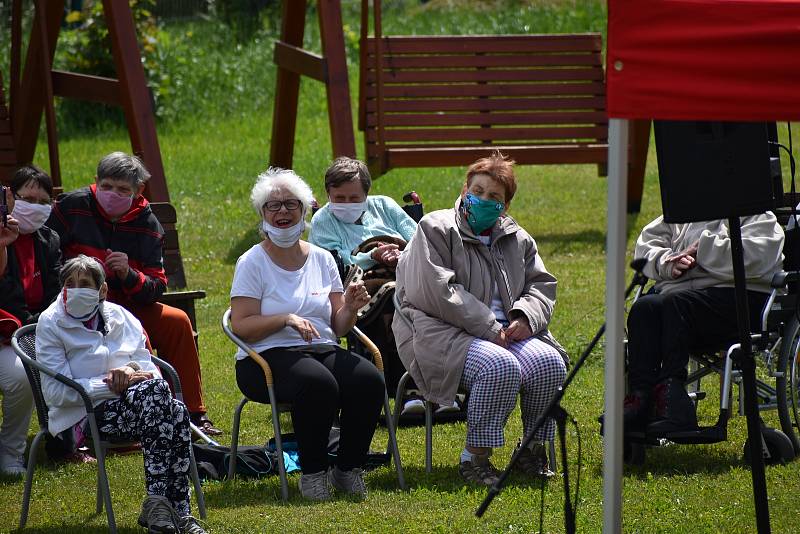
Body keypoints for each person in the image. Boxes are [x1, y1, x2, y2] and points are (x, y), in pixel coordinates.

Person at [393, 152, 569, 486]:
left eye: (494, 197)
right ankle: (475, 457)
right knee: (498, 366)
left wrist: (525, 318)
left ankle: (530, 449)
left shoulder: (518, 238)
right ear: (464, 191)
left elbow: (541, 286)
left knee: (549, 363)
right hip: (440, 332)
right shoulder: (434, 227)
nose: (483, 200)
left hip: (508, 334)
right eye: (477, 191)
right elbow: (438, 292)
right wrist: (489, 326)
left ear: (505, 206)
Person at [230, 167, 384, 501]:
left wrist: (352, 307)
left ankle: (347, 469)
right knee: (317, 383)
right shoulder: (252, 262)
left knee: (368, 380)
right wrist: (285, 319)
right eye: (273, 206)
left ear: (304, 210)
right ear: (262, 214)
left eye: (291, 204)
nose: (282, 211)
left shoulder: (322, 258)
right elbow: (241, 325)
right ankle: (313, 473)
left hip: (320, 349)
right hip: (264, 359)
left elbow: (338, 326)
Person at [47, 152, 221, 436]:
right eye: (106, 186)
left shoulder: (147, 222)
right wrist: (79, 278)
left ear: (138, 191)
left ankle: (192, 413)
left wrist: (129, 274)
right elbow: (47, 254)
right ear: (95, 182)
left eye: (123, 190)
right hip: (81, 306)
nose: (112, 194)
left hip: (129, 306)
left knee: (177, 322)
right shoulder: (71, 207)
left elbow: (156, 286)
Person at [36, 256, 205, 533]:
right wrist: (110, 383)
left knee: (170, 406)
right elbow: (55, 393)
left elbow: (148, 367)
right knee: (171, 410)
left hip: (140, 405)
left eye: (85, 284)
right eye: (70, 284)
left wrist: (130, 368)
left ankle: (162, 506)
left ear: (102, 291)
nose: (76, 289)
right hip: (86, 414)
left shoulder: (121, 316)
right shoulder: (50, 322)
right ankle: (178, 510)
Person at [624, 213, 784, 433]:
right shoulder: (685, 210)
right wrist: (668, 262)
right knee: (645, 308)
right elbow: (647, 244)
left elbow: (759, 255)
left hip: (738, 298)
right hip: (682, 298)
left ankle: (674, 402)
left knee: (675, 305)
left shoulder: (755, 212)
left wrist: (703, 249)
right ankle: (641, 398)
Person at [308, 157, 421, 408]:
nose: (346, 204)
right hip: (358, 284)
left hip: (404, 271)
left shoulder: (385, 206)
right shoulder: (323, 221)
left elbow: (418, 238)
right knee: (393, 299)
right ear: (328, 194)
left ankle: (434, 386)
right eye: (339, 198)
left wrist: (401, 255)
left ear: (366, 194)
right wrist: (373, 256)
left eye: (354, 198)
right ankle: (405, 387)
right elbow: (331, 262)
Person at [0, 166, 63, 475]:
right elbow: (6, 293)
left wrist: (42, 325)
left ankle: (66, 443)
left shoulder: (49, 239)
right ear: (10, 197)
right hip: (6, 331)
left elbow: (56, 289)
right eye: (28, 198)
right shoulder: (2, 236)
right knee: (20, 378)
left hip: (39, 329)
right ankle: (11, 453)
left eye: (43, 201)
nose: (35, 206)